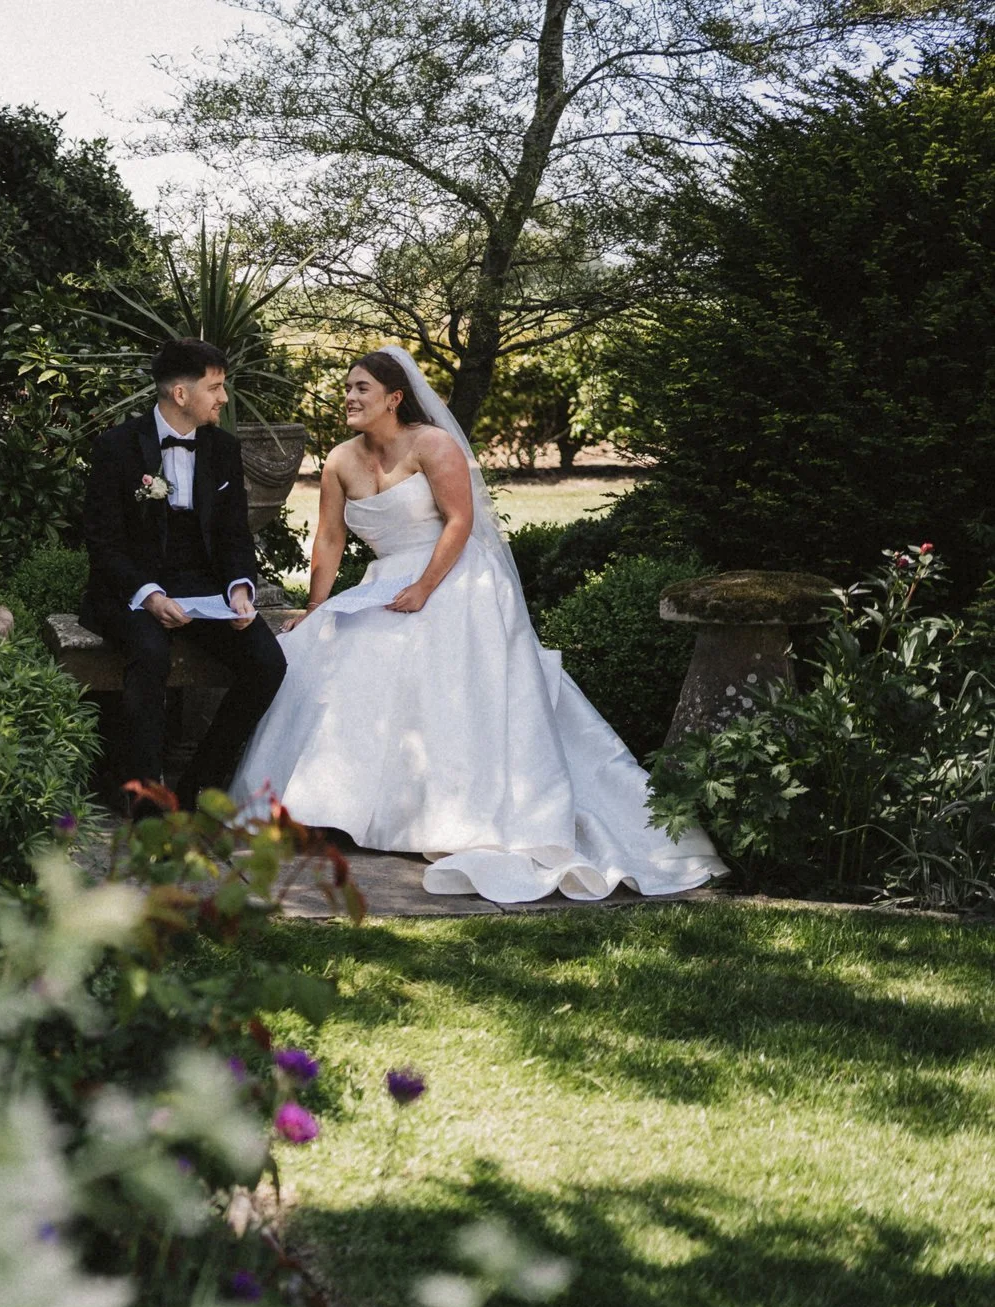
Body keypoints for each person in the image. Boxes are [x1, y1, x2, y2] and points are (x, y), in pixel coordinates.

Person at [234, 348, 725, 902]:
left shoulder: (432, 445)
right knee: (322, 649)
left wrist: (423, 588)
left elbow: (461, 521)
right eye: (347, 387)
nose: (349, 397)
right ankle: (325, 807)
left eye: (361, 388)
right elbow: (328, 538)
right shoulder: (340, 460)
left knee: (426, 669)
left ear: (394, 398)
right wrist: (319, 604)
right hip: (385, 578)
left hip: (453, 573)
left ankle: (441, 812)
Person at [78, 338, 286, 803]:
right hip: (130, 589)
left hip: (204, 588)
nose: (224, 398)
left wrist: (238, 589)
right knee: (149, 654)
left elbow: (234, 534)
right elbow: (103, 543)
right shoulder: (117, 448)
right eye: (215, 388)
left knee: (268, 664)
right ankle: (148, 801)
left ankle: (199, 789)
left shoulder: (223, 449)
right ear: (180, 395)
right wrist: (150, 595)